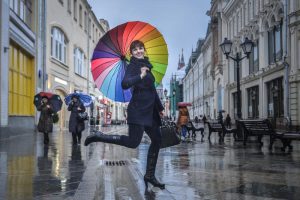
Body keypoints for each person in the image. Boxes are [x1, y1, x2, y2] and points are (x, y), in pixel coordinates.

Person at [84, 40, 165, 190]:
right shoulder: (132, 67)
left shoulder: (147, 66)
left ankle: (150, 175)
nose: (139, 51)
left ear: (144, 50)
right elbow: (125, 83)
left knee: (158, 139)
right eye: (135, 50)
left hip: (150, 111)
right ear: (132, 53)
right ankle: (99, 135)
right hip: (138, 110)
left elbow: (152, 90)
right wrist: (139, 76)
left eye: (141, 48)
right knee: (133, 142)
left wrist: (160, 108)